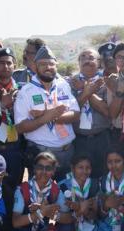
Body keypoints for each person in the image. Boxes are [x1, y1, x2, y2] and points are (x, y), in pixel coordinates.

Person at [15, 46, 79, 180]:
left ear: (56, 65)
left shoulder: (63, 85)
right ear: (35, 66)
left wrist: (49, 115)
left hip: (67, 153)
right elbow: (20, 127)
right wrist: (46, 117)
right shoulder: (26, 91)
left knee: (66, 190)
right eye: (43, 64)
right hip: (41, 154)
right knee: (41, 191)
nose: (48, 67)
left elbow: (76, 114)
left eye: (51, 64)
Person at [11, 151, 66, 231]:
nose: (44, 172)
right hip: (24, 230)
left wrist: (53, 214)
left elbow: (69, 218)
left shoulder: (56, 190)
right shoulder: (22, 189)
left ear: (54, 171)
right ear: (34, 169)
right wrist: (41, 212)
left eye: (48, 168)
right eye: (40, 167)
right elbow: (15, 222)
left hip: (43, 230)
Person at [70, 48, 114, 175]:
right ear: (79, 62)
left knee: (103, 175)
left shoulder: (107, 82)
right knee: (80, 178)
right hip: (78, 140)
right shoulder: (70, 83)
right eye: (83, 57)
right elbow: (71, 110)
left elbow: (107, 112)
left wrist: (85, 89)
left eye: (91, 58)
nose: (87, 60)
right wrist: (87, 91)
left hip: (102, 138)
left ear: (99, 62)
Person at [0, 46, 25, 196]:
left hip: (16, 147)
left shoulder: (22, 90)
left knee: (14, 190)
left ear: (15, 66)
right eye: (2, 63)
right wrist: (2, 106)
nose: (6, 66)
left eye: (9, 63)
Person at [56, 152, 103, 231]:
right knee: (65, 230)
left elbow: (95, 216)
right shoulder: (63, 186)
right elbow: (60, 215)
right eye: (80, 167)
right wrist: (81, 209)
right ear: (73, 168)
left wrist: (85, 210)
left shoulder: (95, 185)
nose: (84, 171)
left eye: (88, 168)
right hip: (69, 224)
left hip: (88, 225)